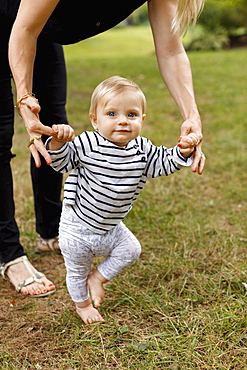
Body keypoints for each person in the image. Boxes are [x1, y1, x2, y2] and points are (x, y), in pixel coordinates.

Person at [45, 76, 200, 323]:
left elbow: (163, 162)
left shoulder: (143, 149)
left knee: (131, 250)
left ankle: (98, 277)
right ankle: (83, 305)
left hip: (110, 226)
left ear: (142, 119)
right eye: (112, 114)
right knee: (77, 272)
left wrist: (182, 150)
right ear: (94, 119)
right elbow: (61, 162)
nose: (122, 121)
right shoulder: (87, 143)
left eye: (131, 115)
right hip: (78, 227)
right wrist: (57, 142)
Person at [8, 0, 206, 175]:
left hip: (44, 26)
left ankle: (52, 219)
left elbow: (171, 51)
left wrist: (192, 115)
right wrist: (24, 97)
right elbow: (25, 29)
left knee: (53, 127)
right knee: (2, 131)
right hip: (13, 19)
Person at [0, 1, 68, 297]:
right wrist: (23, 96)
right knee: (0, 140)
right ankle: (8, 254)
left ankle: (50, 231)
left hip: (38, 19)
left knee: (52, 125)